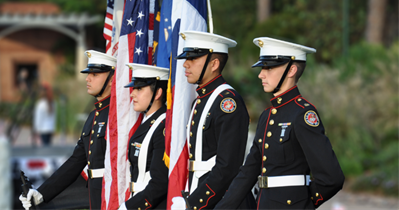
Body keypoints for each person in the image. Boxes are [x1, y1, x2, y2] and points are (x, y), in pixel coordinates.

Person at [214, 37, 345, 210]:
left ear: (291, 70)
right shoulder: (267, 116)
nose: (261, 74)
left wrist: (302, 202)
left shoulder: (303, 114)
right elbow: (248, 173)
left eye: (269, 68)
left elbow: (332, 178)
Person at [19, 50, 116, 210]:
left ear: (112, 79)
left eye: (95, 74)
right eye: (88, 74)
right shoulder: (94, 116)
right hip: (96, 198)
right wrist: (41, 193)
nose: (87, 78)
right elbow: (76, 161)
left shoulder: (117, 117)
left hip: (113, 197)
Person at [173, 31, 256, 210]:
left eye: (193, 59)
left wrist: (194, 202)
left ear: (214, 64)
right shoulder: (200, 101)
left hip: (222, 200)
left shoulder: (227, 102)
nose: (185, 64)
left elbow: (228, 167)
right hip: (203, 194)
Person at [118, 63, 169, 210]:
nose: (132, 93)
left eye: (139, 89)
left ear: (158, 93)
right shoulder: (147, 121)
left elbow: (160, 182)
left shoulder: (163, 126)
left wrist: (129, 207)